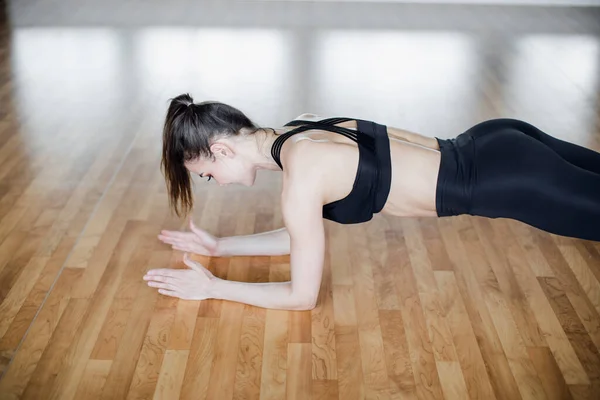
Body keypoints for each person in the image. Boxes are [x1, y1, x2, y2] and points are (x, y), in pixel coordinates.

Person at [143, 93, 600, 310]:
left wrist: (213, 288)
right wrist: (222, 248)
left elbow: (301, 297)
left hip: (510, 179)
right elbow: (298, 238)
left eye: (206, 175)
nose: (215, 182)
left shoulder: (301, 180)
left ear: (221, 150)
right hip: (495, 139)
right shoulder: (301, 127)